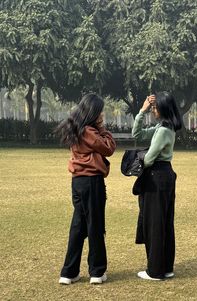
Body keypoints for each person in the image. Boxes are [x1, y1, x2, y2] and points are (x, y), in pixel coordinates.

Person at [56, 93, 116, 285]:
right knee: (95, 224)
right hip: (92, 181)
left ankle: (69, 272)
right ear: (93, 112)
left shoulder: (75, 128)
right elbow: (108, 148)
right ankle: (97, 271)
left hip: (77, 181)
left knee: (78, 226)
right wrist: (103, 129)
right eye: (100, 111)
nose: (102, 114)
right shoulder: (90, 131)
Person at [132, 91, 182, 281]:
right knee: (165, 222)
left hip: (157, 176)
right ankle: (166, 267)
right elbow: (137, 133)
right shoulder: (165, 127)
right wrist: (142, 111)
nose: (153, 110)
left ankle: (154, 271)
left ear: (163, 107)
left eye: (154, 107)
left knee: (154, 223)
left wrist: (134, 165)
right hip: (166, 175)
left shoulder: (162, 130)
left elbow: (149, 158)